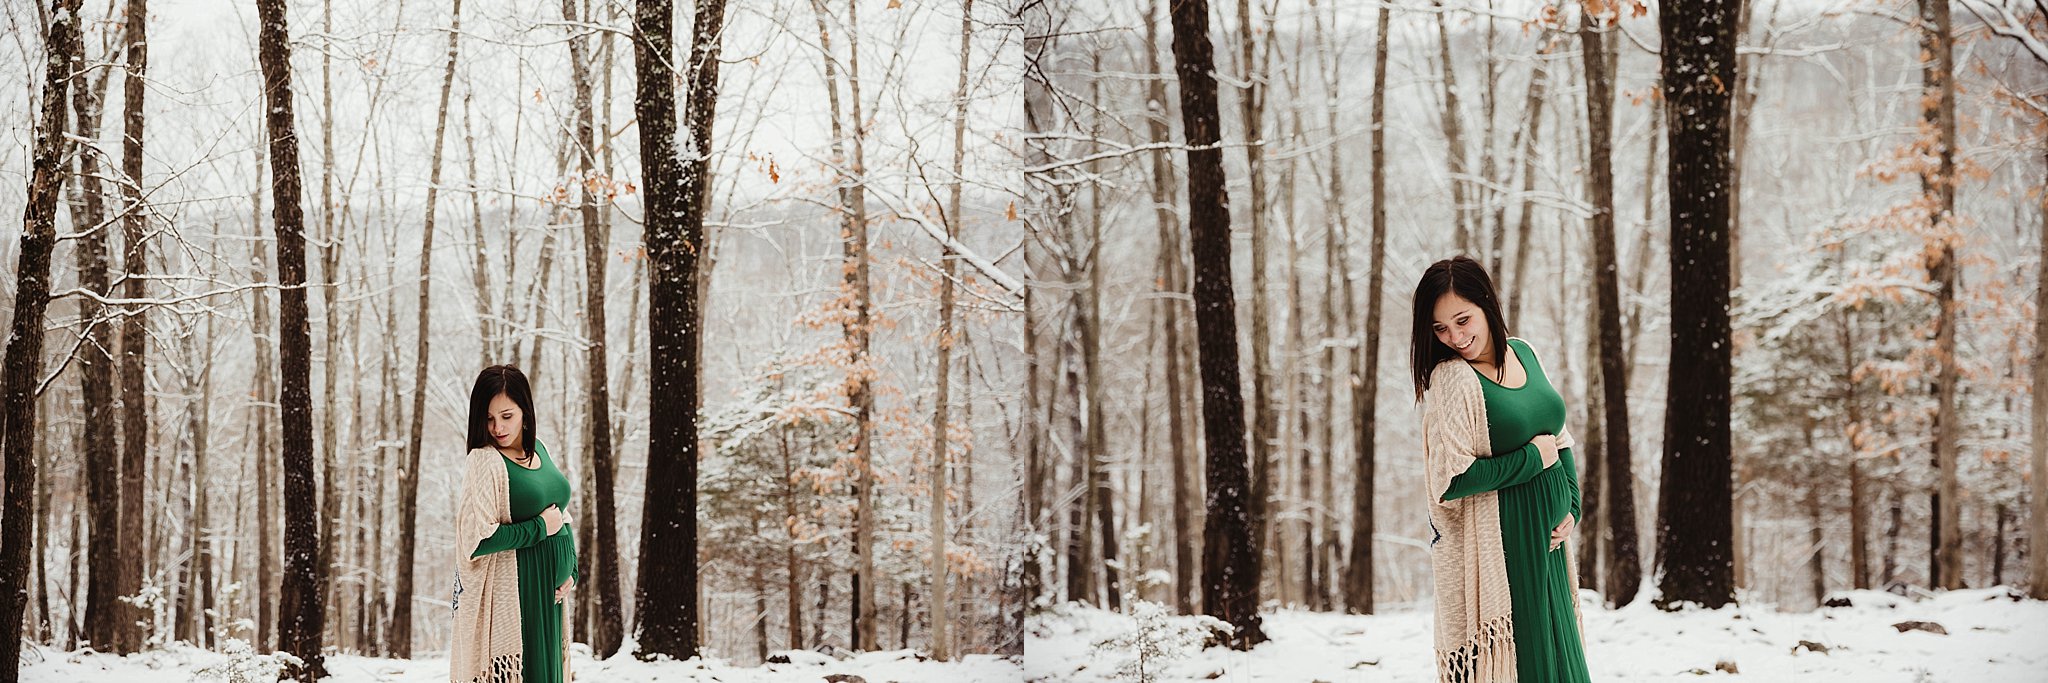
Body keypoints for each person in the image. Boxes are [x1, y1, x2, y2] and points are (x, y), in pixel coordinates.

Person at [1411, 255, 1589, 682]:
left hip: (1550, 541)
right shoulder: (1453, 379)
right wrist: (1532, 459)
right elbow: (1451, 480)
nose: (1455, 336)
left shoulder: (1525, 352)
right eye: (1440, 328)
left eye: (1462, 319)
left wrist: (1573, 506)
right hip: (1508, 544)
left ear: (1486, 304)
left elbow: (1558, 436)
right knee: (1527, 664)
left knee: (1560, 659)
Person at [449, 364, 578, 683]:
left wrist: (571, 570)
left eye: (507, 416)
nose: (497, 427)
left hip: (550, 598)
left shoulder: (541, 449)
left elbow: (562, 514)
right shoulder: (484, 460)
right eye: (489, 418)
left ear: (525, 411)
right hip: (518, 597)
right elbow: (476, 541)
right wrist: (539, 529)